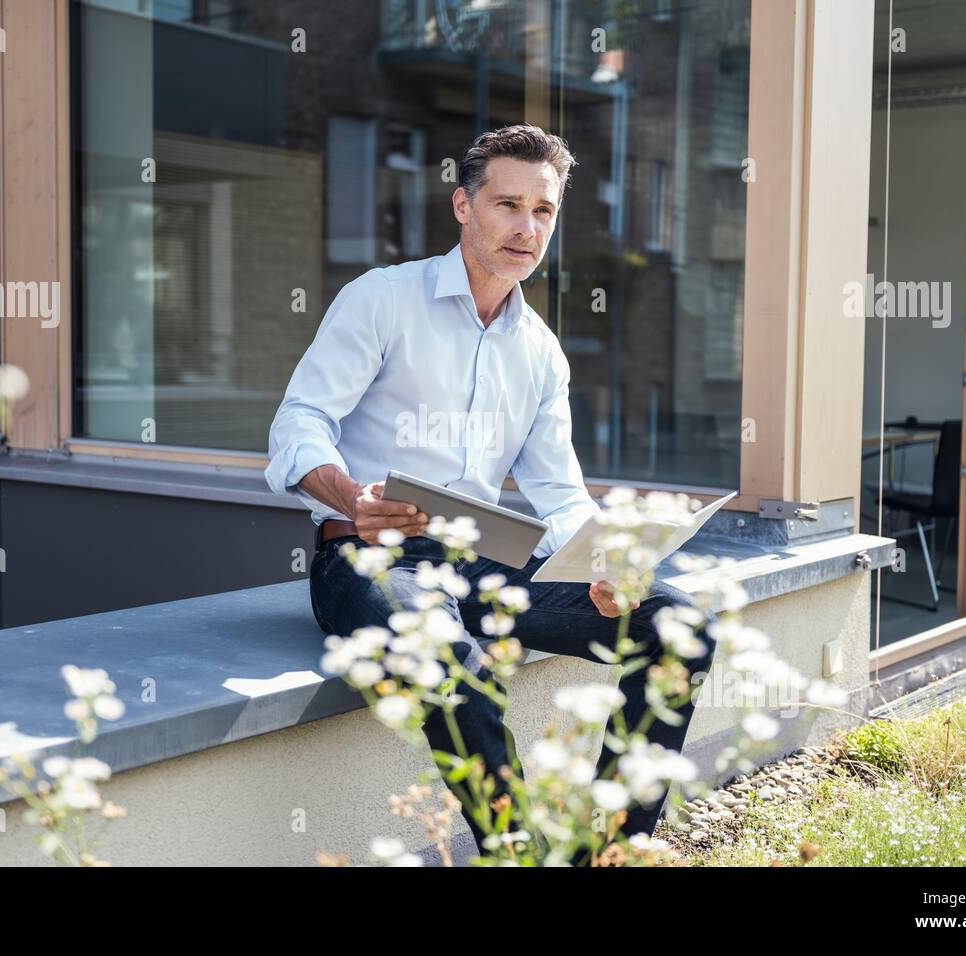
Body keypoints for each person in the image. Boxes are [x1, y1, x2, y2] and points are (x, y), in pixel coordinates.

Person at [265, 124, 716, 855]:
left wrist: (603, 569)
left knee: (678, 627)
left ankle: (612, 846)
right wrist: (352, 497)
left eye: (543, 212)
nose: (525, 227)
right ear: (463, 207)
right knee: (456, 664)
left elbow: (561, 494)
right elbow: (297, 425)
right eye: (507, 204)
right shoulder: (382, 299)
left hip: (484, 564)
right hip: (370, 560)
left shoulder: (540, 352)